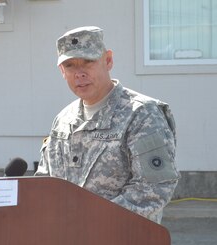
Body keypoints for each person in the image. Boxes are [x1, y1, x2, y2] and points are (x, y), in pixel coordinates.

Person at [35, 26, 180, 223]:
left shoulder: (141, 114)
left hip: (122, 242)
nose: (79, 73)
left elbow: (153, 189)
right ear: (62, 71)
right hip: (67, 242)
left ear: (108, 60)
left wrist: (89, 221)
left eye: (88, 62)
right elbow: (46, 183)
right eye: (70, 65)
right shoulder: (63, 120)